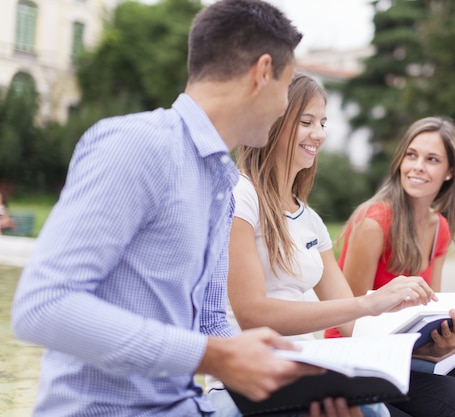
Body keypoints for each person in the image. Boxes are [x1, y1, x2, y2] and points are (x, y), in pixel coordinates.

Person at [9, 2, 352, 416]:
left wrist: (282, 384)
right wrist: (216, 357)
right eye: (285, 87)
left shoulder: (220, 182)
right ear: (262, 73)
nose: (284, 107)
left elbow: (210, 322)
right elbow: (42, 307)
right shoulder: (138, 147)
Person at [219, 75, 455, 417]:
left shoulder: (310, 220)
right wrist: (369, 303)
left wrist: (428, 348)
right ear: (272, 121)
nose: (319, 133)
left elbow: (354, 325)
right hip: (252, 377)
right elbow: (252, 314)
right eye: (306, 121)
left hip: (306, 368)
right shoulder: (239, 197)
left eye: (322, 122)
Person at [324, 117, 455, 417]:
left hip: (403, 357)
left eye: (432, 159)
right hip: (357, 359)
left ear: (449, 172)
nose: (418, 166)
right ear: (400, 161)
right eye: (411, 155)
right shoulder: (374, 221)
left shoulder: (439, 228)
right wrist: (427, 350)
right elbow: (348, 323)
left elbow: (432, 311)